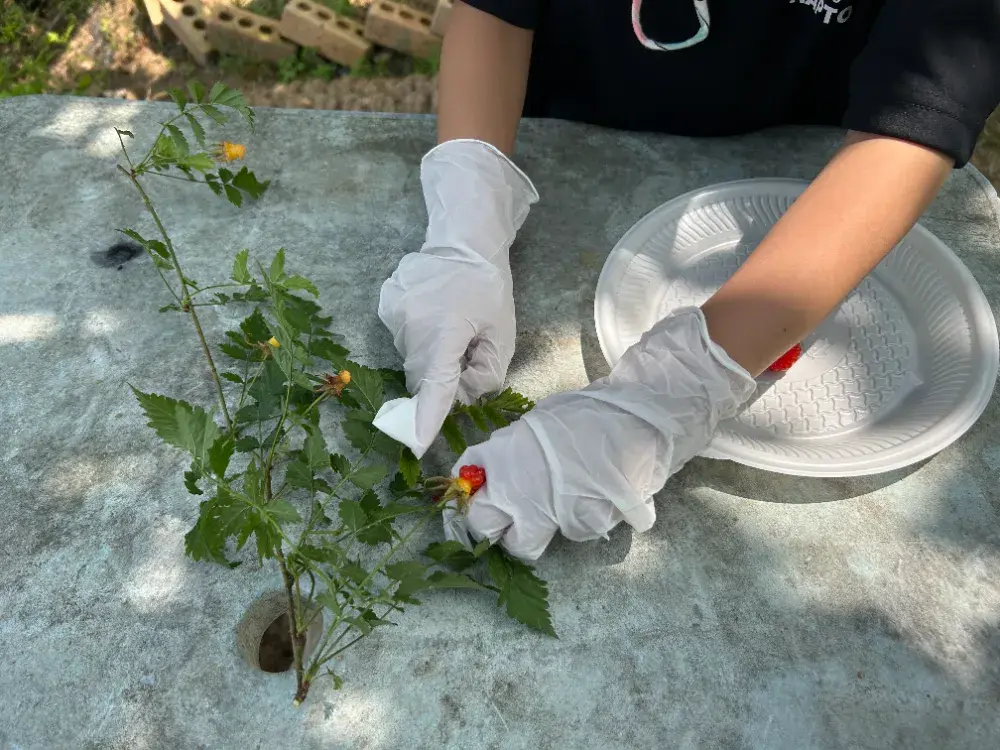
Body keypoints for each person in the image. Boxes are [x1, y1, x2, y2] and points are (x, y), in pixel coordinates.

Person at [372, 0, 1000, 560]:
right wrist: (469, 223)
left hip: (818, 192)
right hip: (569, 123)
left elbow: (914, 120)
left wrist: (673, 388)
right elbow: (495, 12)